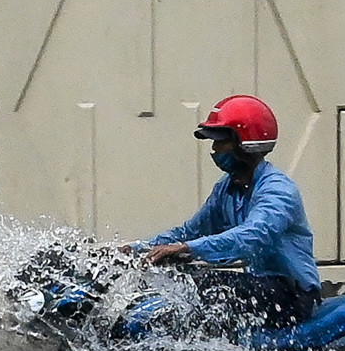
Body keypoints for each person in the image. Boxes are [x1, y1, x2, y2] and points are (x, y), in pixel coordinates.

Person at [125, 95, 321, 329]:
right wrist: (136, 250)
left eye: (221, 142)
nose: (215, 150)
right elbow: (190, 231)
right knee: (180, 279)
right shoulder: (227, 188)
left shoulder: (278, 190)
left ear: (246, 143)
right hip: (261, 286)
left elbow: (252, 236)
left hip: (293, 295)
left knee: (209, 287)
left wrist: (189, 249)